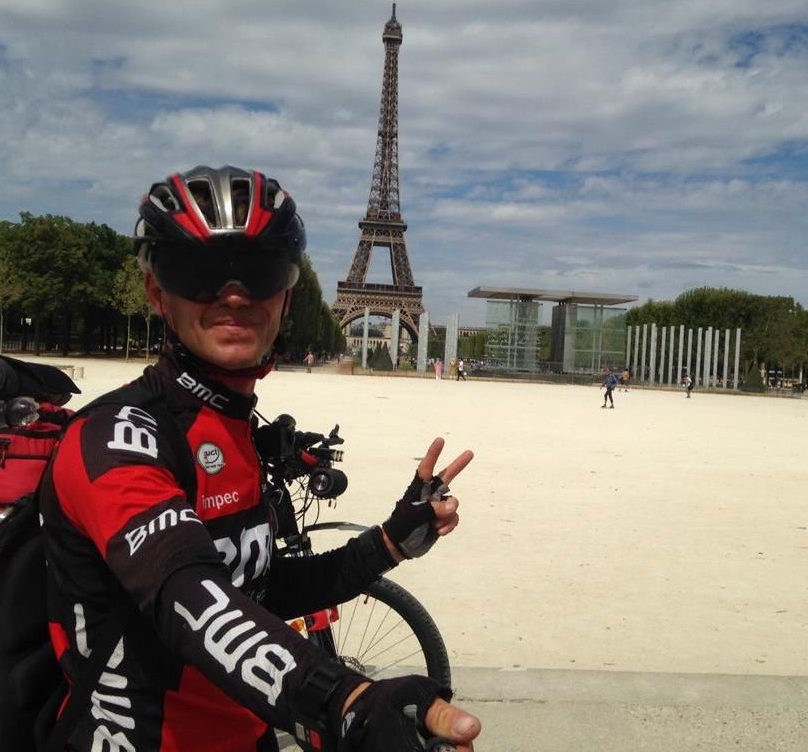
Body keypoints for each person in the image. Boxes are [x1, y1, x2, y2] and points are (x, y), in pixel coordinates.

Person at [38, 166, 481, 752]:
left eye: (261, 271)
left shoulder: (236, 431)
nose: (234, 295)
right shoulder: (114, 438)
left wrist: (390, 541)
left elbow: (257, 592)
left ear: (286, 295)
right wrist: (344, 704)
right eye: (198, 272)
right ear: (156, 292)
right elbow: (187, 593)